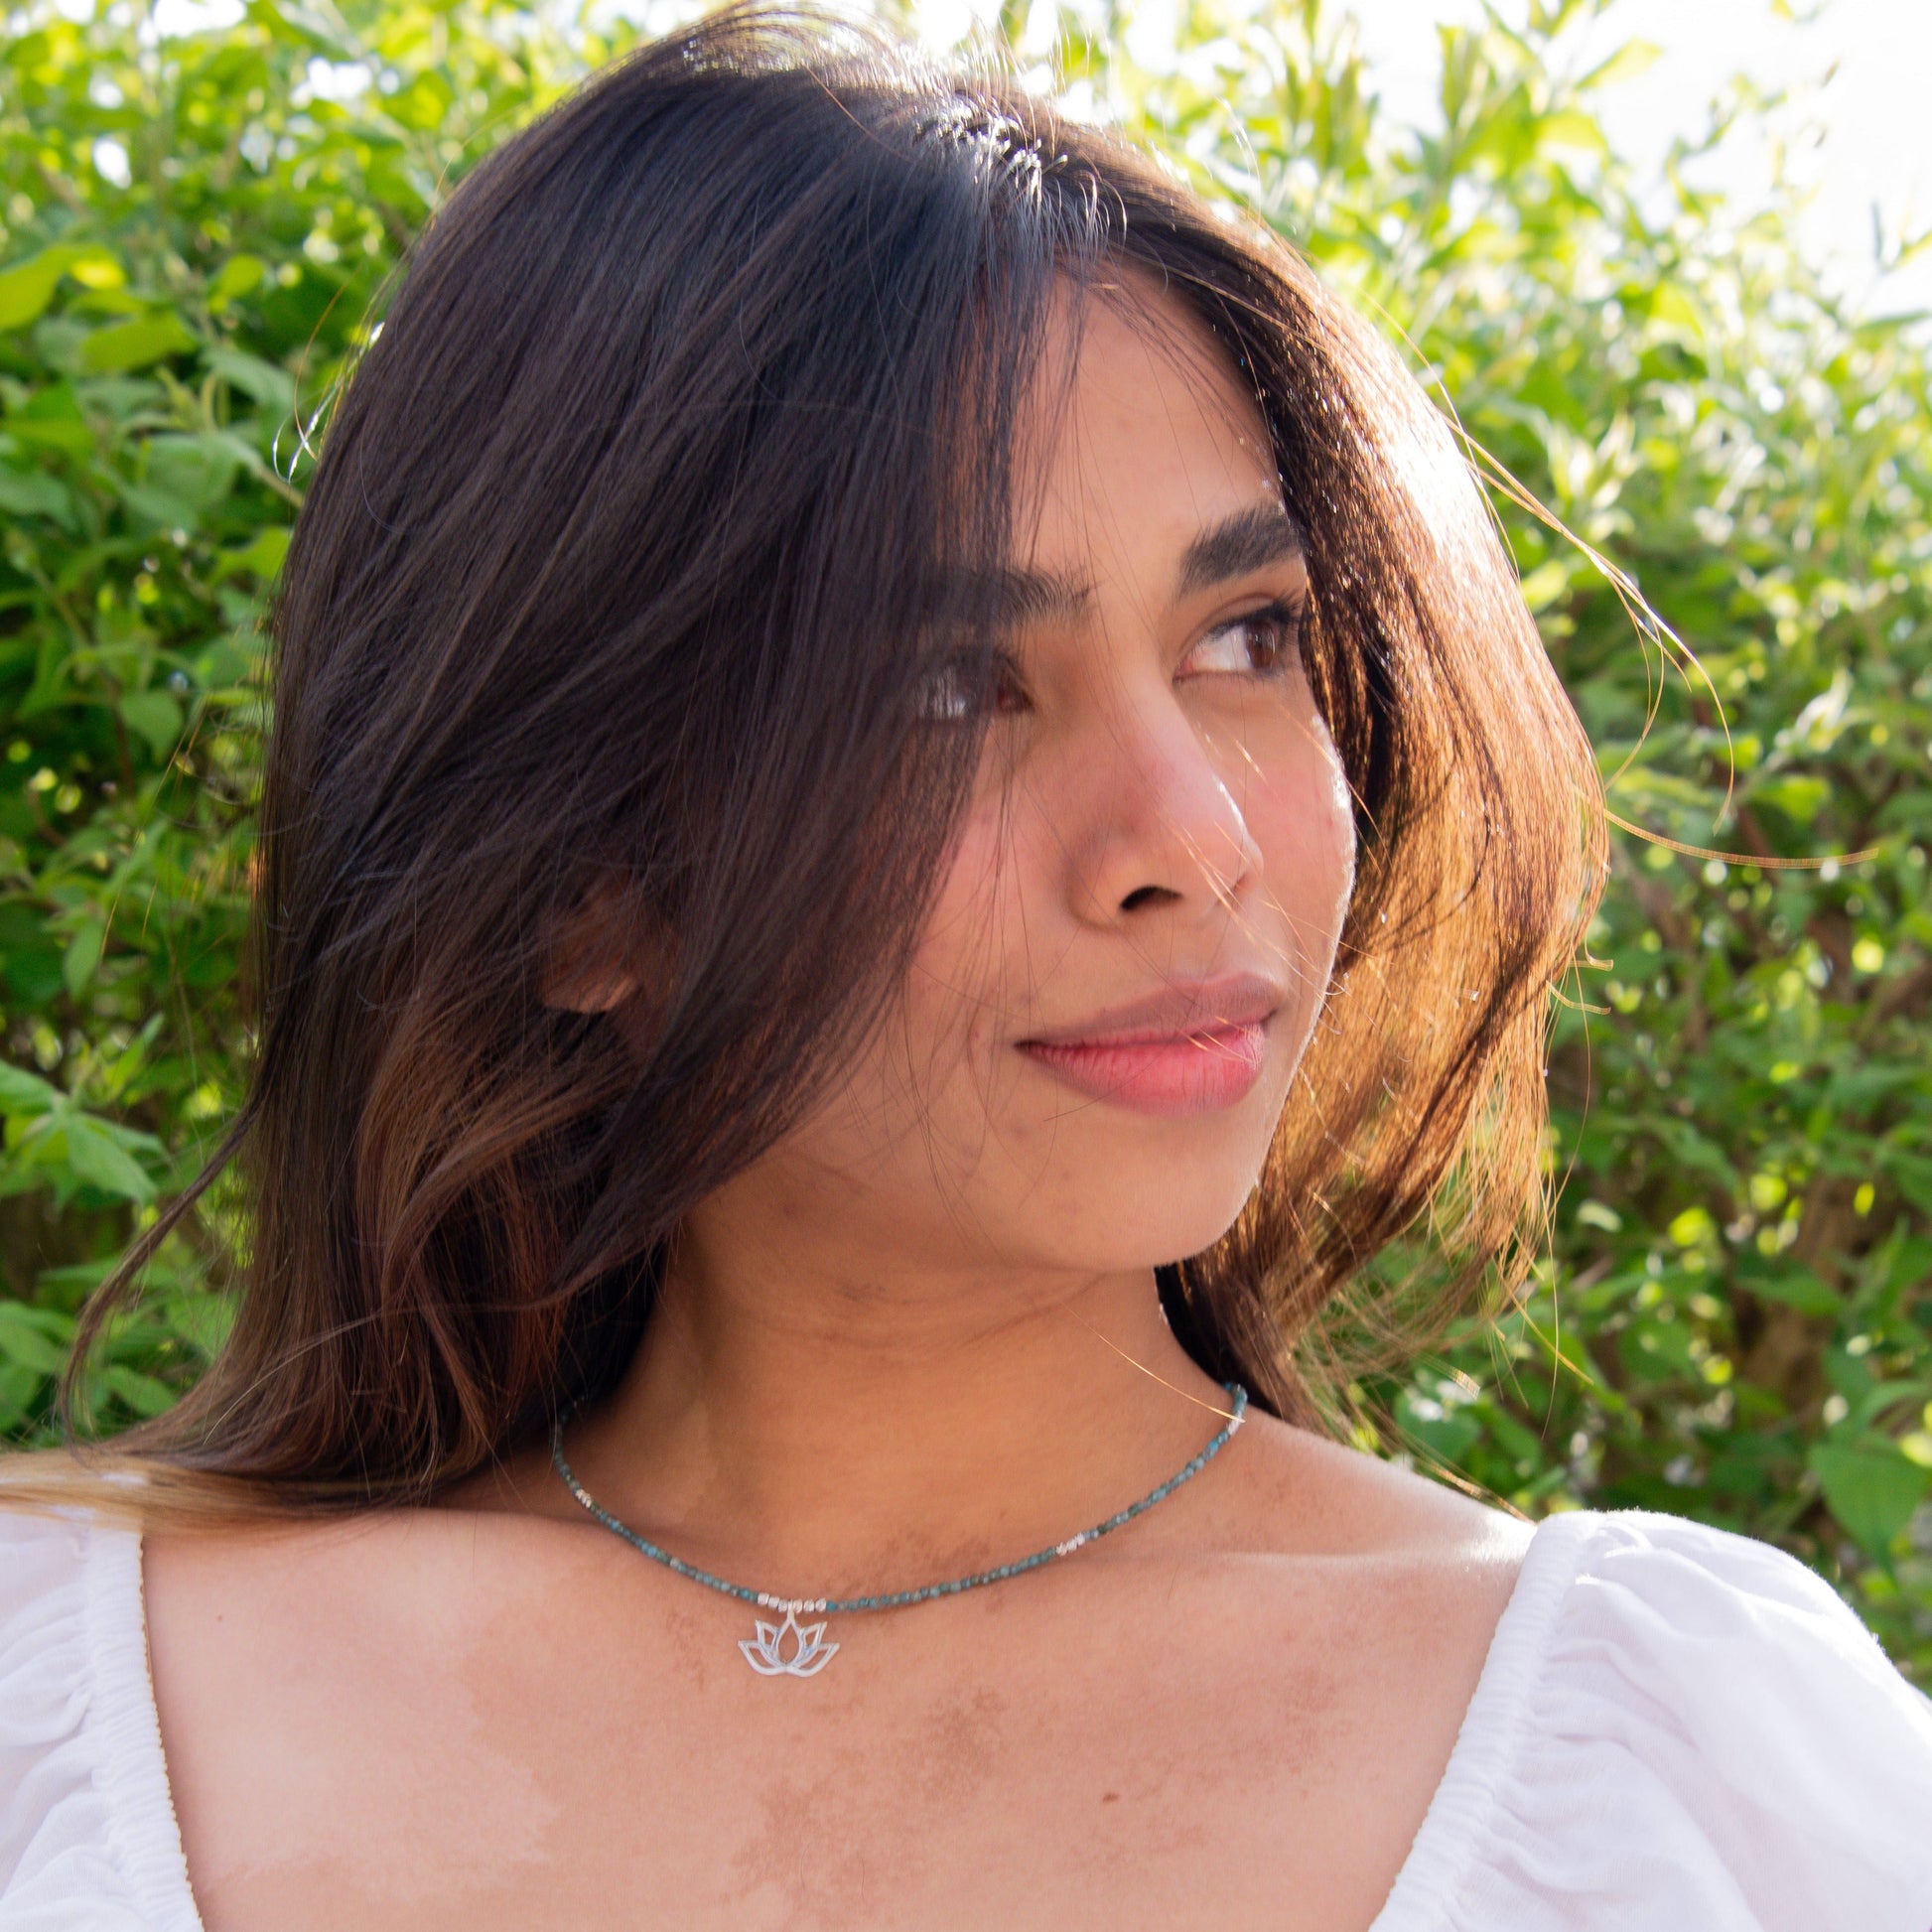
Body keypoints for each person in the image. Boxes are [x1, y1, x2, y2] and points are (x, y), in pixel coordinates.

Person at [3, 10, 1928, 1929]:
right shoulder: (68, 1711)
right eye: (944, 686)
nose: (1192, 839)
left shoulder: (1680, 1778)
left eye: (1247, 634)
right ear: (578, 884)